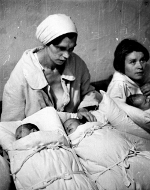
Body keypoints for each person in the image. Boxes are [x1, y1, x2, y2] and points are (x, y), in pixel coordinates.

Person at [1, 14, 102, 122]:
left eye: (71, 49)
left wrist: (83, 108)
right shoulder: (22, 74)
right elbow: (10, 124)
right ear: (47, 43)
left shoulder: (77, 64)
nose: (67, 55)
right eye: (61, 48)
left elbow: (88, 92)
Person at [107, 38, 150, 103]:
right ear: (121, 64)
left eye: (142, 60)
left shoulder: (144, 69)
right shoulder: (119, 85)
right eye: (133, 62)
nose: (140, 66)